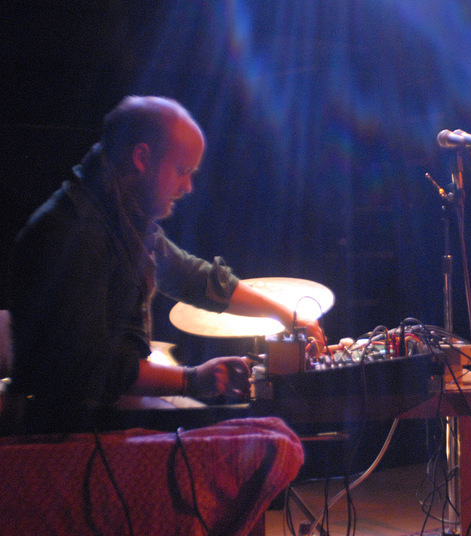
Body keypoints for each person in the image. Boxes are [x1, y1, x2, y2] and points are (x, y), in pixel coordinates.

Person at [5, 96, 324, 435]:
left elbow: (193, 277)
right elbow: (92, 370)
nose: (187, 187)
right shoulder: (76, 233)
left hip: (97, 418)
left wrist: (289, 315)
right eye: (182, 171)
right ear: (142, 158)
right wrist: (192, 380)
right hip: (60, 433)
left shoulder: (117, 215)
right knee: (252, 442)